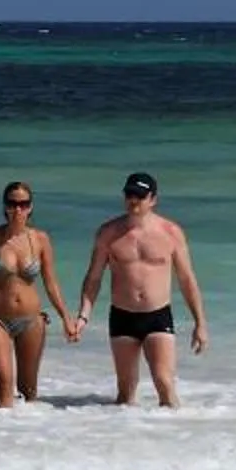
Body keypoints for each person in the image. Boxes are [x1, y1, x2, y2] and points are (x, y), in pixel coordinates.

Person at [74, 172, 207, 407]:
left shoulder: (171, 233)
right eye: (129, 194)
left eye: (140, 196)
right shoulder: (109, 233)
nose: (134, 200)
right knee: (125, 392)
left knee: (164, 383)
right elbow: (94, 278)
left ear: (153, 199)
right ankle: (128, 439)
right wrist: (84, 315)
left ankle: (175, 436)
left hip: (157, 315)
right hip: (122, 316)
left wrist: (200, 323)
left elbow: (187, 279)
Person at [0, 181, 80, 406]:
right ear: (5, 207)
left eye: (23, 204)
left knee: (29, 390)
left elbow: (51, 283)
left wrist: (66, 319)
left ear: (30, 207)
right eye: (12, 204)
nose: (17, 209)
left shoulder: (40, 240)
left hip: (31, 320)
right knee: (3, 385)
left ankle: (24, 438)